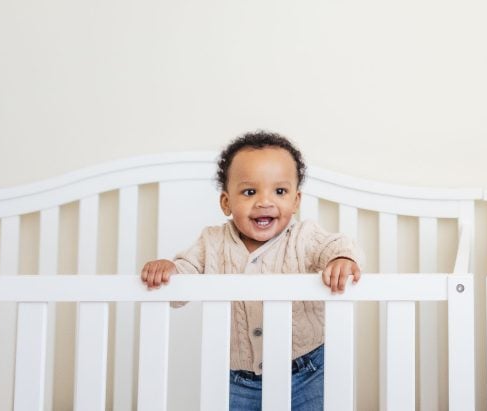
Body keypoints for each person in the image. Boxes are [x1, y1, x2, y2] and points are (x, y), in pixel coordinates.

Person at [141, 131, 361, 411]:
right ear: (226, 202)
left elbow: (336, 245)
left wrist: (341, 259)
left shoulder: (304, 236)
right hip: (237, 378)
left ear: (296, 201)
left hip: (306, 370)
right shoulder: (212, 241)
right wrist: (168, 272)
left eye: (279, 191)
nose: (264, 202)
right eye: (249, 192)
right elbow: (184, 278)